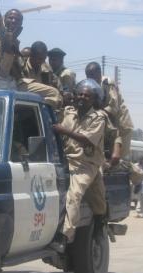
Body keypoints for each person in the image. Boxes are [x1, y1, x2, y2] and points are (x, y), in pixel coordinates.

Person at [51, 79, 115, 251]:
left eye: (87, 96)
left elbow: (87, 140)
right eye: (79, 94)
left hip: (86, 163)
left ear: (93, 99)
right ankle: (101, 221)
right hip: (66, 160)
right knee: (97, 198)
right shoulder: (68, 112)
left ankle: (65, 236)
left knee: (74, 195)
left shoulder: (99, 118)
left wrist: (64, 131)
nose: (82, 97)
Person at [0, 9, 62, 110]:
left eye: (17, 19)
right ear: (3, 20)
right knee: (53, 93)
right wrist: (8, 48)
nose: (13, 21)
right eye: (10, 18)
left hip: (12, 82)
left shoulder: (14, 40)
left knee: (53, 93)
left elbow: (16, 69)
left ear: (21, 25)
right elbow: (2, 72)